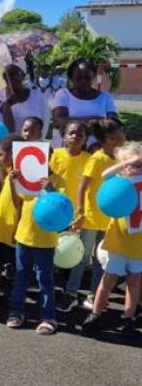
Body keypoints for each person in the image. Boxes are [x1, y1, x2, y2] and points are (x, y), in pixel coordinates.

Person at [80, 141, 142, 336]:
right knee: (107, 282)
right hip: (118, 244)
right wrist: (126, 163)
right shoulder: (119, 184)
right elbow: (105, 175)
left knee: (133, 283)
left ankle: (129, 317)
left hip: (138, 246)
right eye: (130, 164)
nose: (134, 168)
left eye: (139, 165)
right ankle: (95, 314)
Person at [6, 142, 65, 335]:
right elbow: (17, 204)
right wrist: (12, 183)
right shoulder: (26, 179)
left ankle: (48, 318)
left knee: (45, 279)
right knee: (21, 277)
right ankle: (16, 312)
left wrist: (51, 189)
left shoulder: (57, 180)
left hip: (46, 240)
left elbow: (62, 208)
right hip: (24, 236)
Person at [73, 118, 125, 308]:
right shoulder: (97, 158)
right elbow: (82, 186)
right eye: (121, 131)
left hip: (110, 218)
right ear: (110, 138)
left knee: (102, 260)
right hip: (91, 217)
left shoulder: (120, 160)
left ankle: (93, 295)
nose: (124, 135)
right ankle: (71, 292)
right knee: (82, 257)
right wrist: (80, 210)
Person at [50, 121, 89, 311]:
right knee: (53, 247)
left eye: (80, 133)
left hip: (77, 214)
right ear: (64, 136)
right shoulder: (55, 155)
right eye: (71, 133)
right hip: (55, 210)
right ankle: (53, 284)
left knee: (70, 250)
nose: (75, 136)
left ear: (86, 138)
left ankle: (68, 288)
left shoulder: (89, 159)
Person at [52, 58, 119, 148]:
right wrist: (95, 121)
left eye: (87, 78)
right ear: (71, 78)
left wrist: (74, 121)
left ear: (93, 76)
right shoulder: (63, 94)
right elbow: (58, 121)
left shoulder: (105, 97)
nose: (83, 81)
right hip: (69, 151)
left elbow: (113, 123)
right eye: (78, 78)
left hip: (97, 150)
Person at [0, 134, 23, 298]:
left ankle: (14, 291)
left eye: (1, 154)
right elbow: (3, 183)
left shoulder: (23, 176)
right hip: (1, 224)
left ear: (13, 154)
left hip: (13, 226)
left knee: (15, 261)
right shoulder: (9, 170)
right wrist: (2, 169)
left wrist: (17, 228)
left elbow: (19, 204)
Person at [0, 61, 50, 138]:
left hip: (31, 145)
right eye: (7, 75)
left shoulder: (38, 96)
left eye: (15, 74)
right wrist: (7, 105)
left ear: (23, 75)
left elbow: (45, 122)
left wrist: (38, 142)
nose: (10, 78)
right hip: (5, 145)